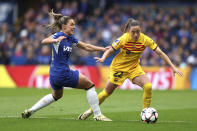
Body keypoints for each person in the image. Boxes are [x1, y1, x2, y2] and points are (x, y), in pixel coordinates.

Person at [78, 18, 183, 120]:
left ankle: (145, 114)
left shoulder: (145, 39)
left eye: (138, 32)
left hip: (134, 68)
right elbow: (110, 50)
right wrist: (103, 58)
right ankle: (90, 111)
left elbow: (160, 52)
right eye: (133, 32)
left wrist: (172, 66)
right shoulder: (123, 39)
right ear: (129, 31)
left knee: (148, 86)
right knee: (107, 92)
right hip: (119, 68)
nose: (136, 34)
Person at [21, 11, 111, 121]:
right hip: (62, 73)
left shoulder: (70, 38)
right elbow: (44, 41)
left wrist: (101, 49)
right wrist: (54, 40)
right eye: (72, 25)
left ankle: (30, 110)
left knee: (56, 96)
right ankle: (98, 115)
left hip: (54, 74)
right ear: (64, 26)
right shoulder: (59, 35)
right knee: (90, 85)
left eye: (74, 25)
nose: (74, 27)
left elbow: (86, 46)